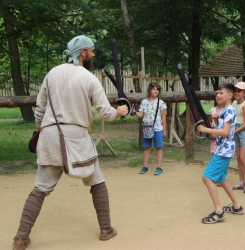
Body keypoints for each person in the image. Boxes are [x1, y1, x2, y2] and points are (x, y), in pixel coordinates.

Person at [12, 35, 128, 250]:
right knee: (97, 181)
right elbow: (105, 112)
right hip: (76, 137)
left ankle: (20, 238)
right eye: (91, 51)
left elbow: (40, 111)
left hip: (48, 135)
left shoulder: (51, 74)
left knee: (40, 188)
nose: (93, 54)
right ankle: (105, 229)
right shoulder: (88, 78)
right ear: (82, 52)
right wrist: (120, 112)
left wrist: (43, 131)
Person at [197, 83, 244, 224]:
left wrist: (206, 130)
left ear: (229, 95)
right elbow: (222, 132)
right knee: (221, 179)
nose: (218, 95)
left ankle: (218, 212)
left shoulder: (229, 110)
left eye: (221, 93)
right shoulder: (225, 111)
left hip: (224, 151)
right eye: (217, 92)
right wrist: (212, 131)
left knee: (207, 178)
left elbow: (224, 132)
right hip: (224, 149)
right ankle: (237, 206)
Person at [133, 82, 167, 175]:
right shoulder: (144, 102)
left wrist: (164, 130)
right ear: (150, 90)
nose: (156, 91)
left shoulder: (161, 103)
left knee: (158, 147)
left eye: (157, 89)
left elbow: (164, 117)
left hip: (158, 128)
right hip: (147, 128)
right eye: (154, 89)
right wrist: (135, 112)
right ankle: (145, 166)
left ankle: (159, 167)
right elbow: (141, 115)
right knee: (147, 147)